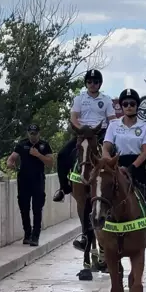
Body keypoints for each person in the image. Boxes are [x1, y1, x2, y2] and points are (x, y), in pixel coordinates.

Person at [101, 88, 146, 258]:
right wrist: (110, 164)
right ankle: (99, 242)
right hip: (116, 167)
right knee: (99, 199)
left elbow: (145, 151)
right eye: (125, 104)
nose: (128, 106)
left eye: (132, 104)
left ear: (137, 106)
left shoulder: (144, 125)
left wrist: (132, 168)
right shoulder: (113, 125)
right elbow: (106, 148)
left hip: (137, 169)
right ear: (122, 106)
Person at [53, 69, 116, 202]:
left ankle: (118, 186)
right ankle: (63, 188)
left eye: (95, 82)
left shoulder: (106, 100)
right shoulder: (79, 98)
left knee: (116, 155)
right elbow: (74, 118)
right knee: (62, 155)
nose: (92, 84)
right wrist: (82, 130)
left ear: (100, 84)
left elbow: (112, 121)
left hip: (100, 133)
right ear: (86, 83)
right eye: (89, 82)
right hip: (82, 133)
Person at [7, 124, 54, 246]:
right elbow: (12, 157)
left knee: (37, 209)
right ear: (28, 133)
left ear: (39, 133)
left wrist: (38, 155)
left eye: (35, 133)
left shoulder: (44, 145)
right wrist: (10, 163)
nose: (33, 136)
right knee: (24, 208)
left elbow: (50, 162)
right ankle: (27, 234)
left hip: (37, 180)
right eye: (31, 133)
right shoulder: (22, 144)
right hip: (23, 180)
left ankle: (35, 236)